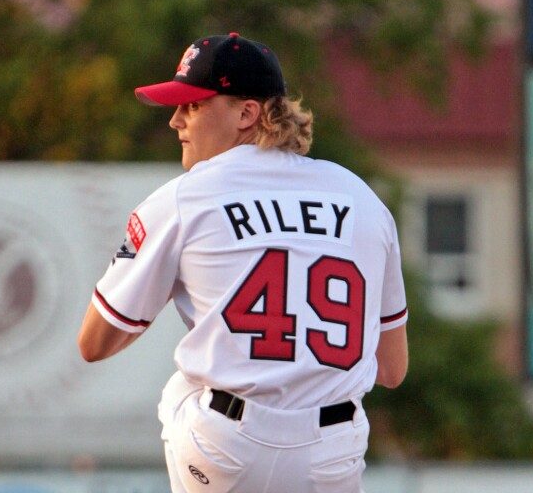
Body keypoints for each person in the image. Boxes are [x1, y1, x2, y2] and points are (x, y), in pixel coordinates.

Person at [78, 32, 408, 493]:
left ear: (247, 113)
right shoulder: (360, 197)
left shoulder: (184, 197)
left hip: (225, 450)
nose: (176, 121)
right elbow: (392, 369)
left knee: (182, 387)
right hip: (332, 453)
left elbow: (94, 343)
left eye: (192, 105)